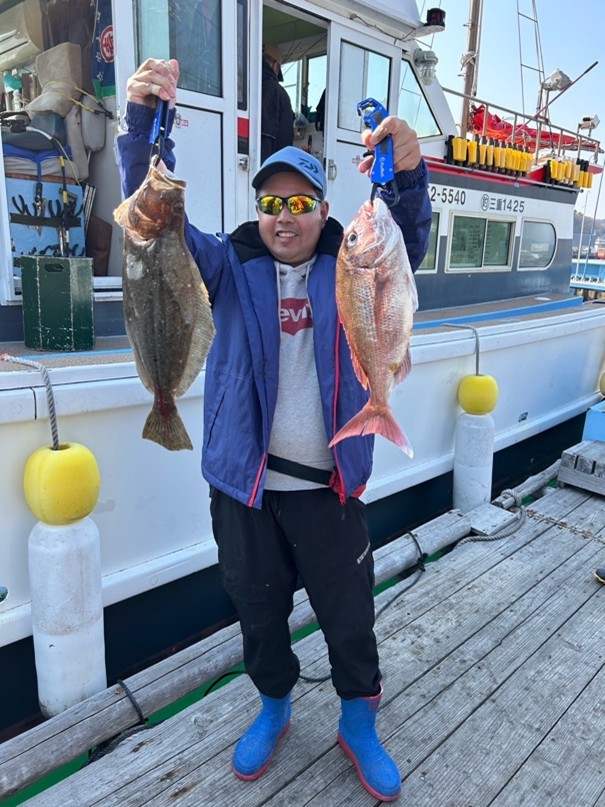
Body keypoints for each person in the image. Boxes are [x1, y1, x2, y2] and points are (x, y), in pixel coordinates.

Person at [118, 57, 432, 802]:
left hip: (329, 488)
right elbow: (150, 224)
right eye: (270, 203)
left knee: (348, 614)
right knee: (258, 611)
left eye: (299, 203)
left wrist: (408, 169)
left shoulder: (352, 264)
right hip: (245, 490)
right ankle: (275, 704)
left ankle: (358, 718)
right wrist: (141, 127)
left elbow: (406, 236)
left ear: (323, 209)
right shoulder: (227, 265)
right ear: (257, 209)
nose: (283, 217)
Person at [261, 43, 294, 162]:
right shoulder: (280, 94)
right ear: (276, 66)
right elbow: (285, 139)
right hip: (268, 162)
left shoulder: (242, 87)